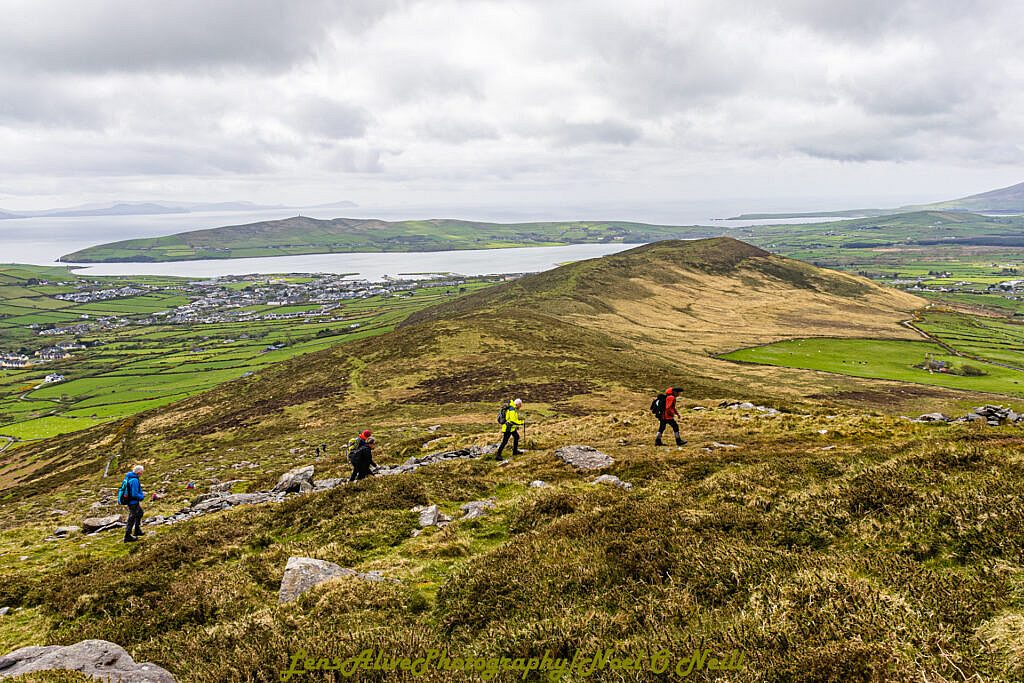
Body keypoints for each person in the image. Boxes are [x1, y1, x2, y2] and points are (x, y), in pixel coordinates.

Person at [119, 465, 146, 543]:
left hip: (131, 501)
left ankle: (137, 530)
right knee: (132, 517)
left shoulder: (129, 477)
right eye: (141, 472)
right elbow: (134, 494)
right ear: (138, 472)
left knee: (140, 513)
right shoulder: (134, 480)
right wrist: (141, 496)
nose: (142, 473)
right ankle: (127, 536)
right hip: (133, 502)